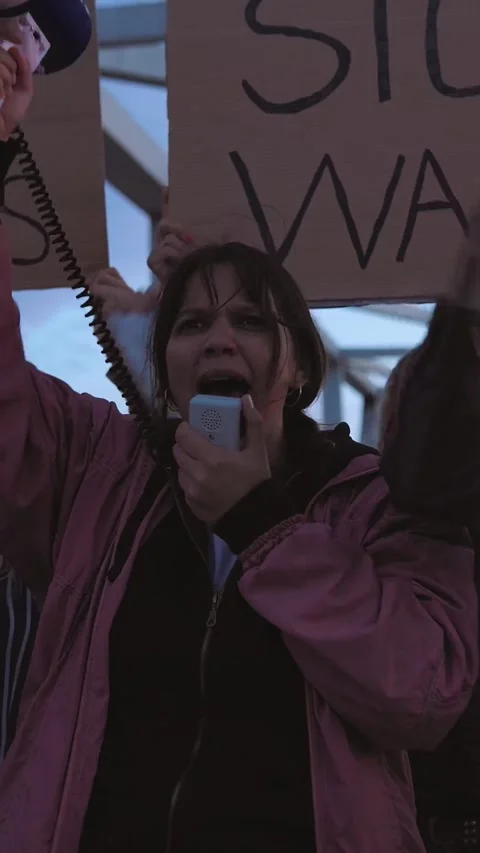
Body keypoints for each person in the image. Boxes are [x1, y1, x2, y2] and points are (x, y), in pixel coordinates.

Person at [0, 37, 477, 853]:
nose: (219, 338)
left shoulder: (376, 501)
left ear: (298, 367)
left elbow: (422, 690)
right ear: (165, 366)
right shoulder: (96, 471)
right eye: (190, 323)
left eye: (251, 320)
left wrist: (261, 523)